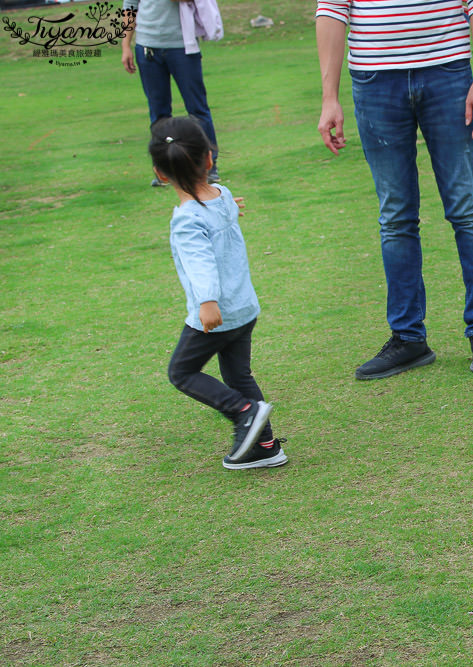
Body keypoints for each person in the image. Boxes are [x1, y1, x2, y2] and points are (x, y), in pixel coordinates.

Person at [315, 0, 473, 379]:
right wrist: (329, 97)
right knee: (396, 216)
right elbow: (333, 13)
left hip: (448, 72)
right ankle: (408, 338)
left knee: (467, 208)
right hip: (374, 82)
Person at [150, 116, 287, 470]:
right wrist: (225, 208)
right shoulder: (222, 196)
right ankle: (266, 446)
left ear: (161, 174)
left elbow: (200, 263)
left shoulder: (186, 219)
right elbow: (221, 211)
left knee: (182, 373)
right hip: (244, 308)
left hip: (217, 313)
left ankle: (244, 411)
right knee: (239, 376)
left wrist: (207, 303)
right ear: (209, 159)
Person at [122, 0, 221, 186]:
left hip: (182, 45)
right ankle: (163, 167)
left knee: (197, 108)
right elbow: (130, 7)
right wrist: (125, 45)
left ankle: (208, 164)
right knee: (158, 112)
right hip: (147, 47)